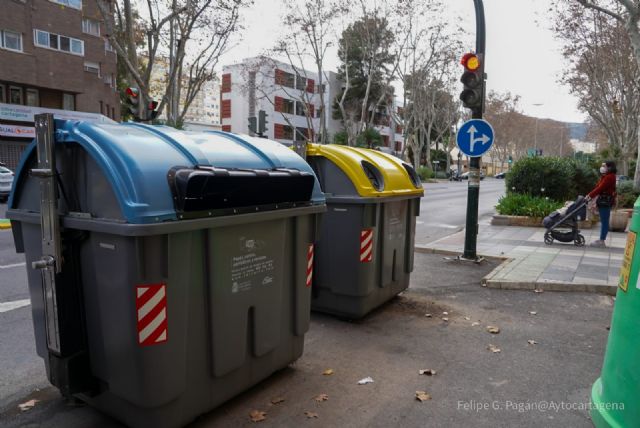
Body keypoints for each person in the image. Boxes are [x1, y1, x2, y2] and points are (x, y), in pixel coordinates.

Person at [585, 161, 617, 247]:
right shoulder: (606, 176)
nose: (602, 167)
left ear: (609, 167)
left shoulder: (610, 177)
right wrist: (590, 195)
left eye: (604, 166)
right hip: (603, 200)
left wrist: (589, 196)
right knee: (604, 220)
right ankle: (601, 239)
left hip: (605, 201)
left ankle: (602, 241)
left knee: (604, 221)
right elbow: (598, 186)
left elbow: (600, 188)